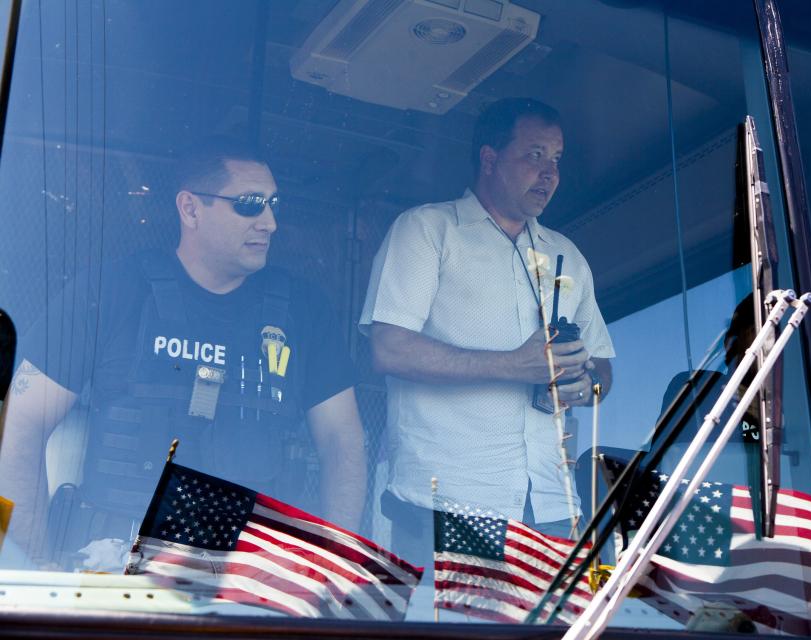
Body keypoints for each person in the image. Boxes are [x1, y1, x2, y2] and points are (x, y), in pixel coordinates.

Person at [0, 139, 367, 568]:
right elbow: (19, 423)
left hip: (251, 576)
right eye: (250, 204)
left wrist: (335, 570)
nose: (269, 222)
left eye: (273, 204)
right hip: (116, 568)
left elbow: (344, 442)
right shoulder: (111, 292)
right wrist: (33, 565)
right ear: (190, 209)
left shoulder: (303, 310)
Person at [359, 98, 615, 564]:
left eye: (556, 159)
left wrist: (584, 383)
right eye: (534, 155)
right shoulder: (428, 229)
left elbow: (602, 367)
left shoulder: (568, 256)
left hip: (555, 507)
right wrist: (513, 366)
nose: (550, 173)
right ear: (490, 158)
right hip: (446, 500)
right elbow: (389, 349)